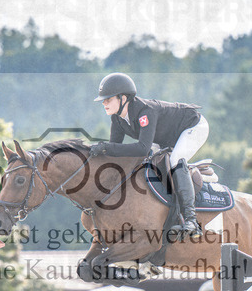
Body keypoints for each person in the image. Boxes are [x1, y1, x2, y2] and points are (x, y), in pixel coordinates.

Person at [89, 72, 209, 238]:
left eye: (108, 99)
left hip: (192, 126)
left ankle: (191, 220)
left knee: (175, 161)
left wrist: (106, 148)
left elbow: (142, 149)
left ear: (123, 98)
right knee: (148, 165)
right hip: (165, 137)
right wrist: (96, 154)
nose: (104, 103)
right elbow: (114, 151)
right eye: (103, 99)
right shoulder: (117, 119)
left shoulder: (146, 111)